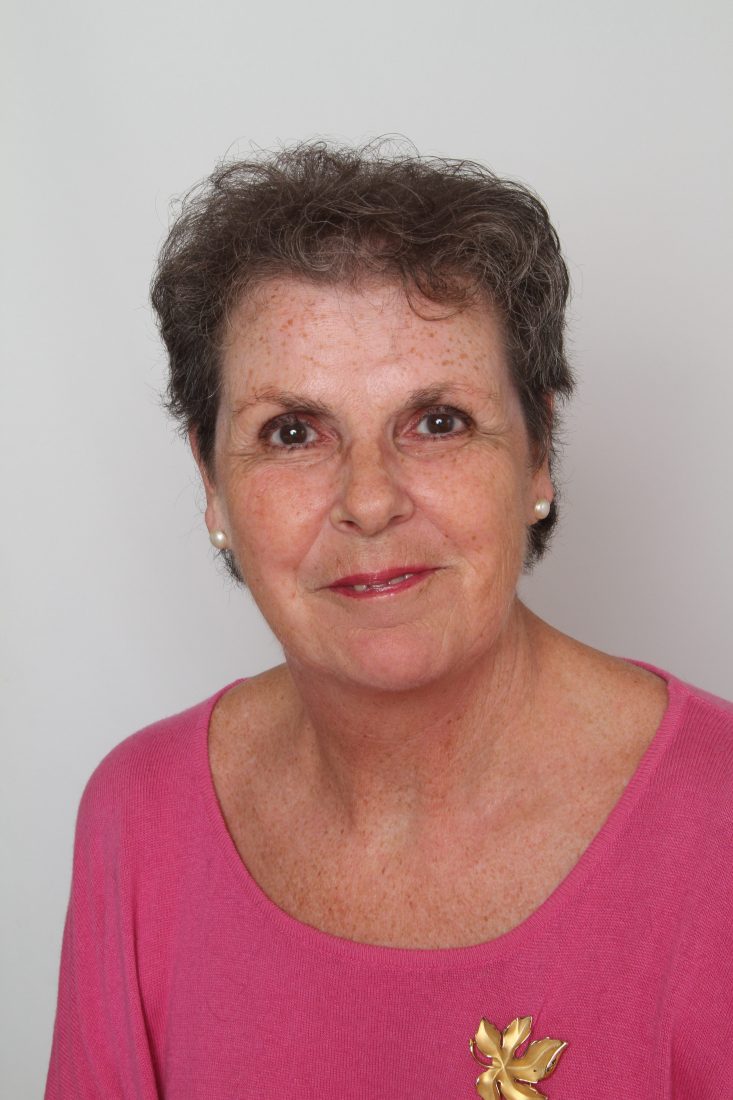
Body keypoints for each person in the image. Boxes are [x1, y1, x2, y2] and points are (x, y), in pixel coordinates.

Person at [46, 142, 732, 1100]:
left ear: (537, 454)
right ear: (210, 481)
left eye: (437, 421)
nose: (368, 501)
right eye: (293, 432)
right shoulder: (140, 820)